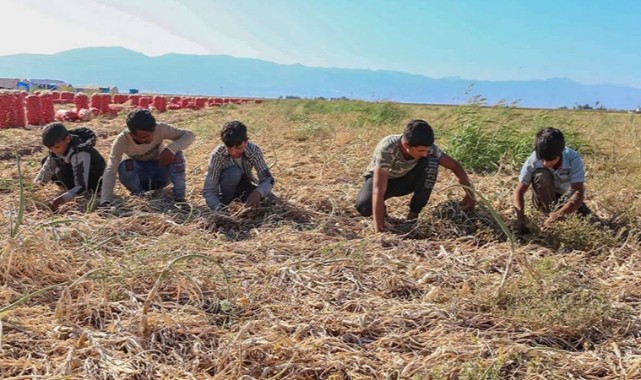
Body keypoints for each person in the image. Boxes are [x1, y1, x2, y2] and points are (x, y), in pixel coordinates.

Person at [355, 119, 475, 233]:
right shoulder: (388, 147)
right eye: (420, 151)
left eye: (427, 150)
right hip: (383, 181)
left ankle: (413, 216)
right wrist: (380, 232)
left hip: (406, 180)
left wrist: (470, 194)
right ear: (406, 145)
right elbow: (378, 190)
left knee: (431, 163)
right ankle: (382, 211)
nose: (425, 154)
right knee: (364, 207)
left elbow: (455, 166)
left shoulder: (427, 148)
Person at [99, 109, 195, 206]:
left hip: (161, 172)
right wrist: (105, 200)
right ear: (132, 134)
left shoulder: (160, 128)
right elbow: (110, 170)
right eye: (144, 137)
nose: (151, 138)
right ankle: (140, 197)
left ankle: (179, 198)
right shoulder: (121, 141)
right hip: (140, 177)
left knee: (176, 154)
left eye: (152, 134)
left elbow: (189, 135)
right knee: (125, 165)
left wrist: (171, 149)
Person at [513, 127, 591, 233]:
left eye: (551, 160)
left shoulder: (573, 159)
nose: (545, 164)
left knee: (591, 222)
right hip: (543, 197)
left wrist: (557, 216)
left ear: (561, 153)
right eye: (542, 160)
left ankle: (558, 214)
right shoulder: (534, 159)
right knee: (541, 175)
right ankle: (546, 211)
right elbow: (519, 191)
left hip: (565, 197)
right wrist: (520, 218)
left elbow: (578, 194)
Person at [203, 120, 275, 211]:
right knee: (234, 172)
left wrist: (258, 192)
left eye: (238, 148)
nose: (233, 152)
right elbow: (209, 190)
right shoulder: (217, 155)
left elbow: (268, 179)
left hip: (242, 186)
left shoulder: (254, 151)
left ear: (246, 141)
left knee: (269, 201)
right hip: (223, 190)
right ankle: (224, 204)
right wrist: (217, 208)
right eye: (229, 148)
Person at [35, 122, 106, 211]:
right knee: (45, 160)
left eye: (57, 147)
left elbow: (81, 187)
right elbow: (47, 170)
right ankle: (71, 190)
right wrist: (34, 188)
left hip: (93, 181)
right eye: (50, 148)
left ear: (67, 139)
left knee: (62, 172)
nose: (54, 151)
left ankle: (75, 192)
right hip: (75, 175)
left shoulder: (79, 152)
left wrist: (62, 199)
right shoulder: (56, 149)